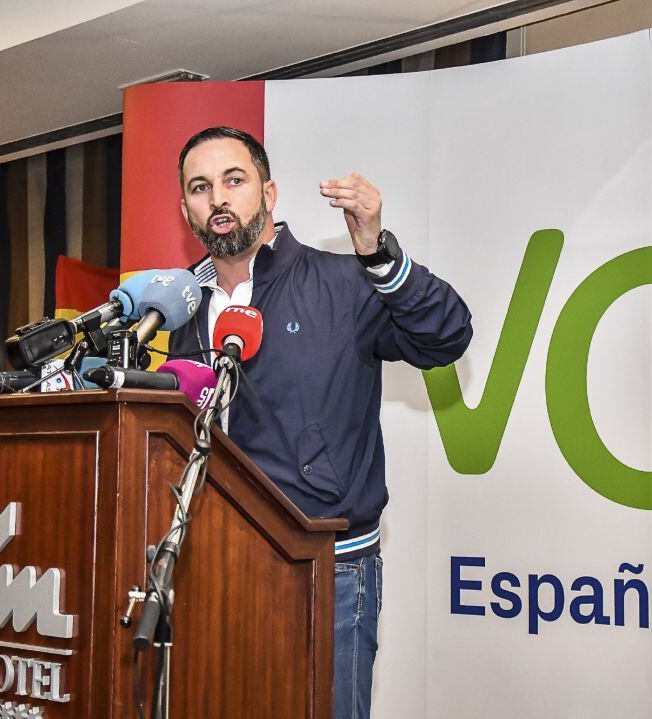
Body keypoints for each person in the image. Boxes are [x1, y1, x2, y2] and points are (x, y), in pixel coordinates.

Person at [169, 126, 472, 719]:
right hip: (215, 563)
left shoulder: (342, 282)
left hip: (329, 570)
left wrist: (377, 250)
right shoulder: (182, 309)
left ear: (270, 193)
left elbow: (446, 336)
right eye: (201, 188)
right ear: (186, 210)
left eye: (235, 180)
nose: (219, 199)